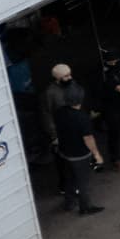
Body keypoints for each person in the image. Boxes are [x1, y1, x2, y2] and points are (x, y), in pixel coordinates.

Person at [53, 93, 104, 216]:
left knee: (69, 178)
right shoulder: (82, 117)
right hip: (80, 154)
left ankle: (69, 203)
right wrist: (97, 155)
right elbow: (88, 138)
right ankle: (85, 207)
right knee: (83, 181)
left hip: (65, 152)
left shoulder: (60, 112)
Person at [40, 65, 85, 197]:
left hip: (74, 128)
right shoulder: (50, 93)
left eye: (70, 74)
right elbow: (46, 114)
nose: (70, 77)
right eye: (66, 76)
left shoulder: (72, 85)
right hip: (61, 131)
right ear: (58, 78)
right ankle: (66, 187)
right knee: (63, 162)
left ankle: (76, 185)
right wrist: (54, 136)